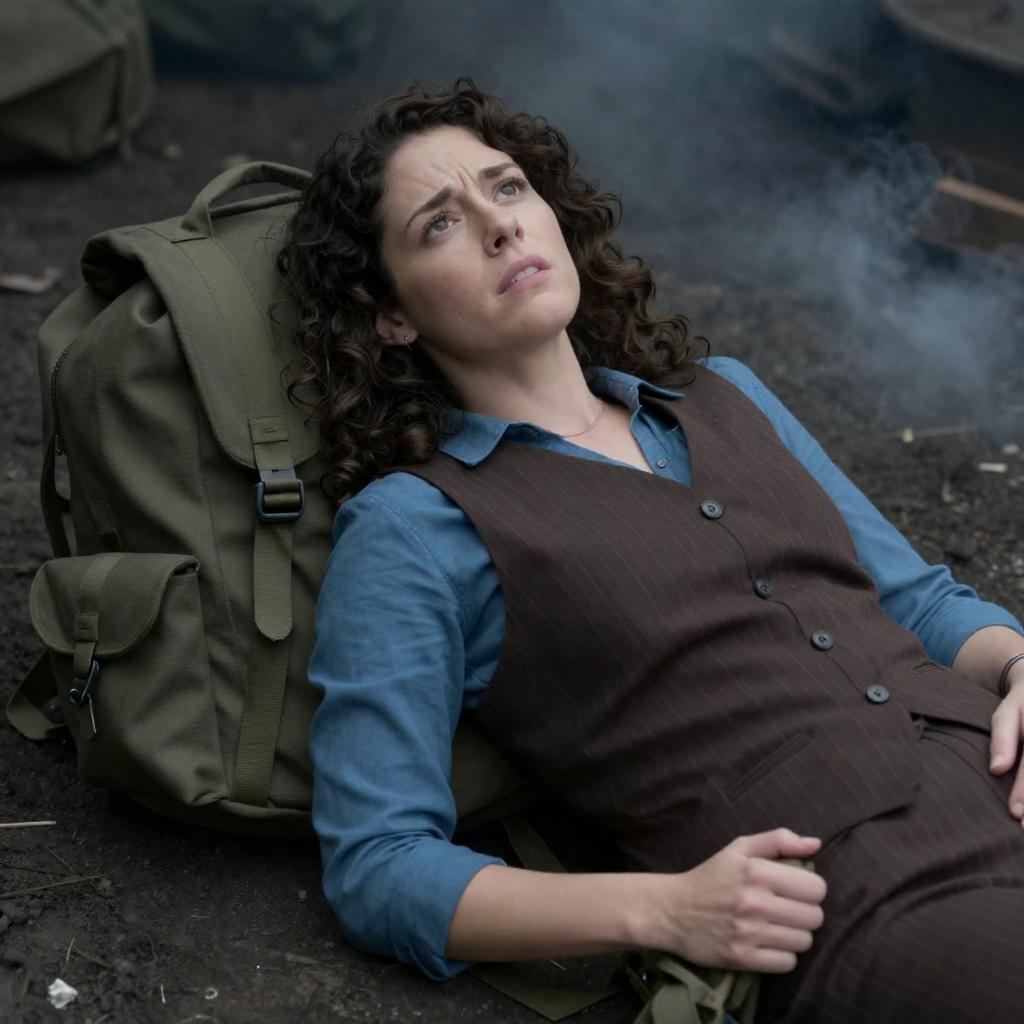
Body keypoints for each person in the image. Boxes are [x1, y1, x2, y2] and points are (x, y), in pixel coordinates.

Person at [278, 77, 1024, 1023]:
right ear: (391, 315)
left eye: (507, 188)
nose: (500, 226)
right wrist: (666, 910)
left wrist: (1018, 665)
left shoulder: (726, 394)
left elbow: (918, 603)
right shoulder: (412, 526)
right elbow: (379, 865)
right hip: (864, 897)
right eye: (441, 225)